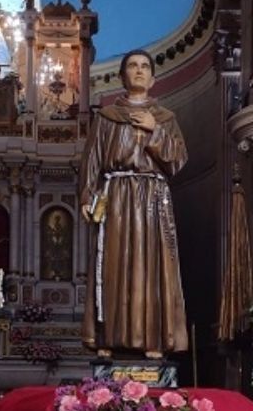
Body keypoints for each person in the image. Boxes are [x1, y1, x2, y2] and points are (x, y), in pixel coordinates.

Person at [79, 49, 188, 359]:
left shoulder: (165, 119)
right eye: (132, 66)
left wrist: (154, 130)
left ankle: (154, 338)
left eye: (144, 66)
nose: (138, 70)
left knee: (153, 266)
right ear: (122, 76)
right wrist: (87, 195)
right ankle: (108, 338)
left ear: (153, 78)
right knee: (112, 265)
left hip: (153, 199)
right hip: (116, 198)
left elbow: (178, 160)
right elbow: (92, 160)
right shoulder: (107, 118)